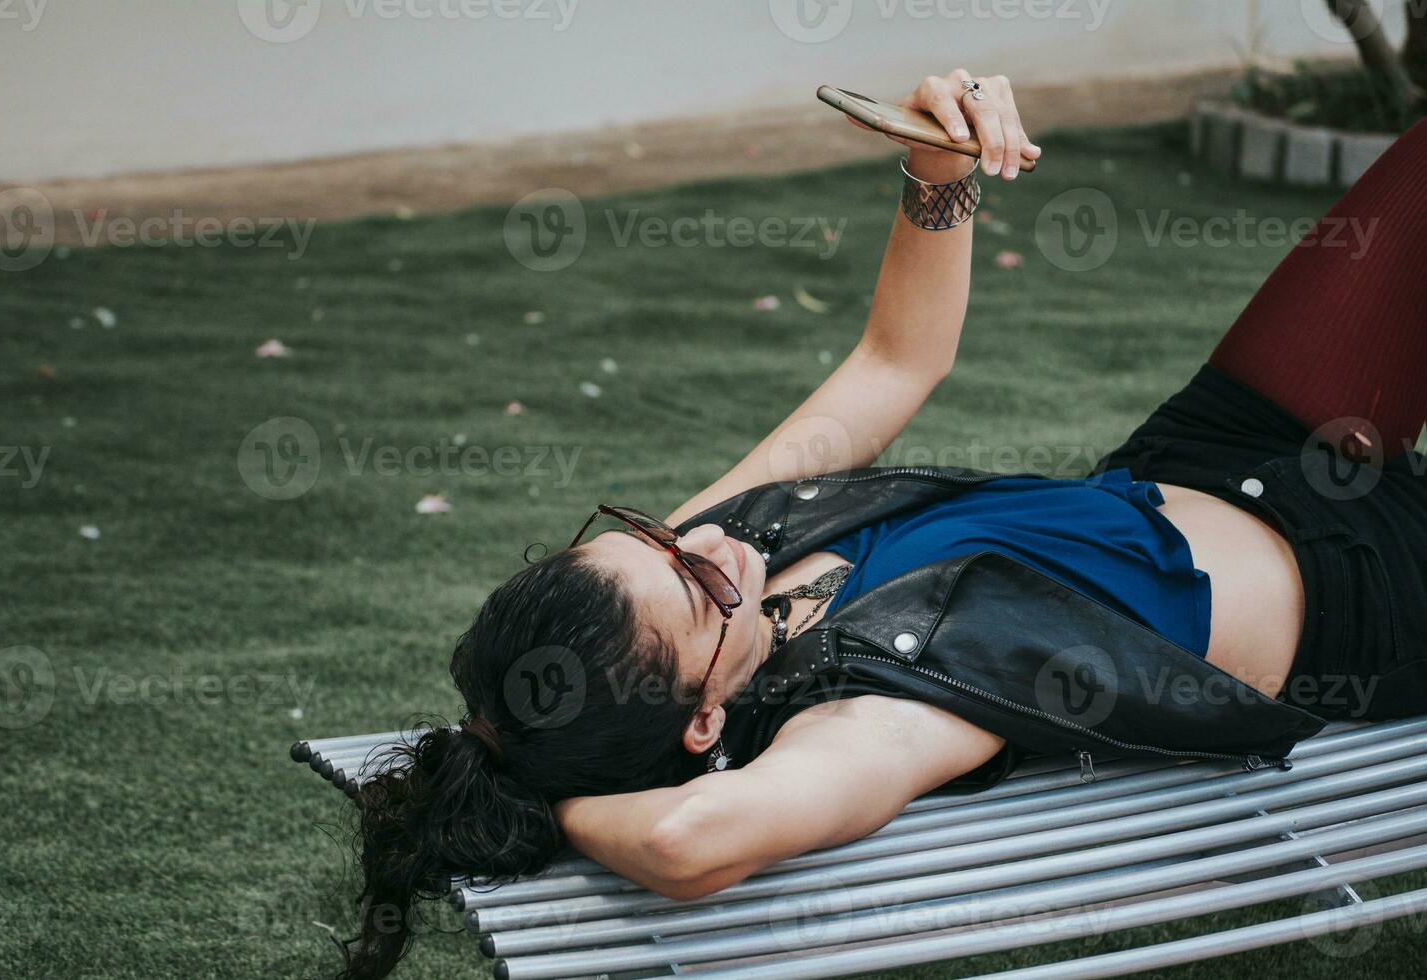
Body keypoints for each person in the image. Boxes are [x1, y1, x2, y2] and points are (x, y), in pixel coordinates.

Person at [335, 69, 1427, 979]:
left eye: (649, 533)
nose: (710, 543)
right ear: (706, 723)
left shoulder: (712, 561)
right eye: (694, 584)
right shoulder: (862, 724)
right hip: (1372, 587)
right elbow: (683, 839)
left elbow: (895, 362)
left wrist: (938, 172)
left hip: (1211, 455)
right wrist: (553, 802)